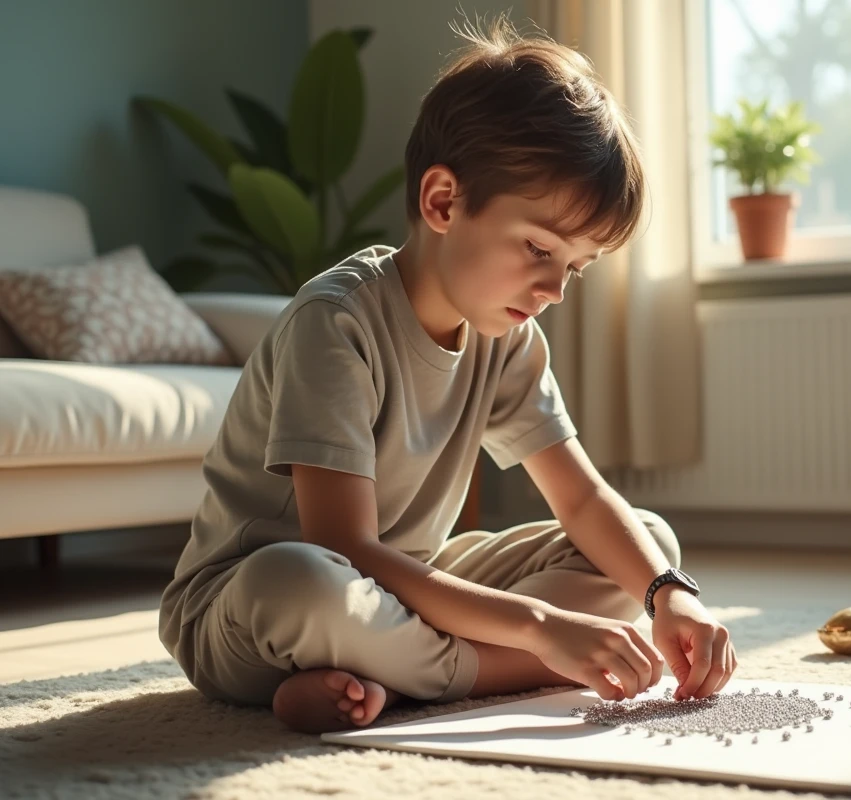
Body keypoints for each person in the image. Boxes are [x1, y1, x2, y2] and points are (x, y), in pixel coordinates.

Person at [158, 17, 737, 735]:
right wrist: (538, 627)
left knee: (646, 542)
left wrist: (667, 594)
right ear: (442, 202)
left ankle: (391, 682)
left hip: (405, 588)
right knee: (298, 580)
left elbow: (582, 498)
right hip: (248, 608)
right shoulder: (335, 323)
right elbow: (345, 551)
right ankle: (455, 673)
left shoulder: (508, 337)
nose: (554, 288)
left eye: (574, 268)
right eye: (537, 248)